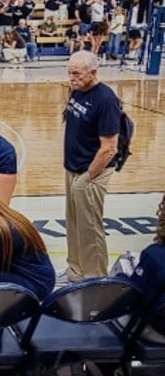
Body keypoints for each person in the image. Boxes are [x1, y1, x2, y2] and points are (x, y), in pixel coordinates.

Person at [61, 51, 120, 282]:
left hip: (92, 173)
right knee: (74, 224)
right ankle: (76, 272)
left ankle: (96, 280)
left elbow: (109, 148)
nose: (71, 78)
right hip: (73, 169)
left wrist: (88, 177)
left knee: (90, 229)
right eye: (69, 73)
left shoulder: (105, 100)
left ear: (93, 73)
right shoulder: (75, 90)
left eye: (76, 74)